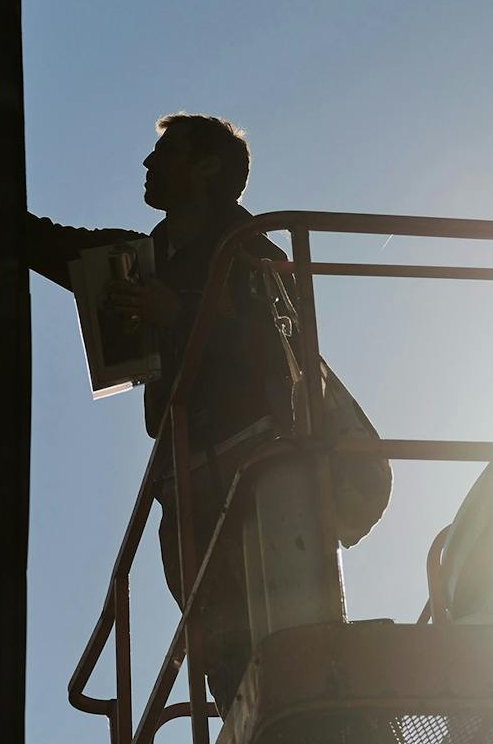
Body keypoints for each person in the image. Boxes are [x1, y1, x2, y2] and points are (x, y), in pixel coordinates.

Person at [28, 113, 387, 707]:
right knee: (221, 650)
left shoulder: (257, 254)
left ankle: (326, 736)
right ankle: (257, 739)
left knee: (295, 637)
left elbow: (275, 349)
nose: (147, 164)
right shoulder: (150, 257)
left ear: (206, 168)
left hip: (265, 468)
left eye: (162, 153)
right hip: (189, 480)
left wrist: (181, 313)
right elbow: (55, 248)